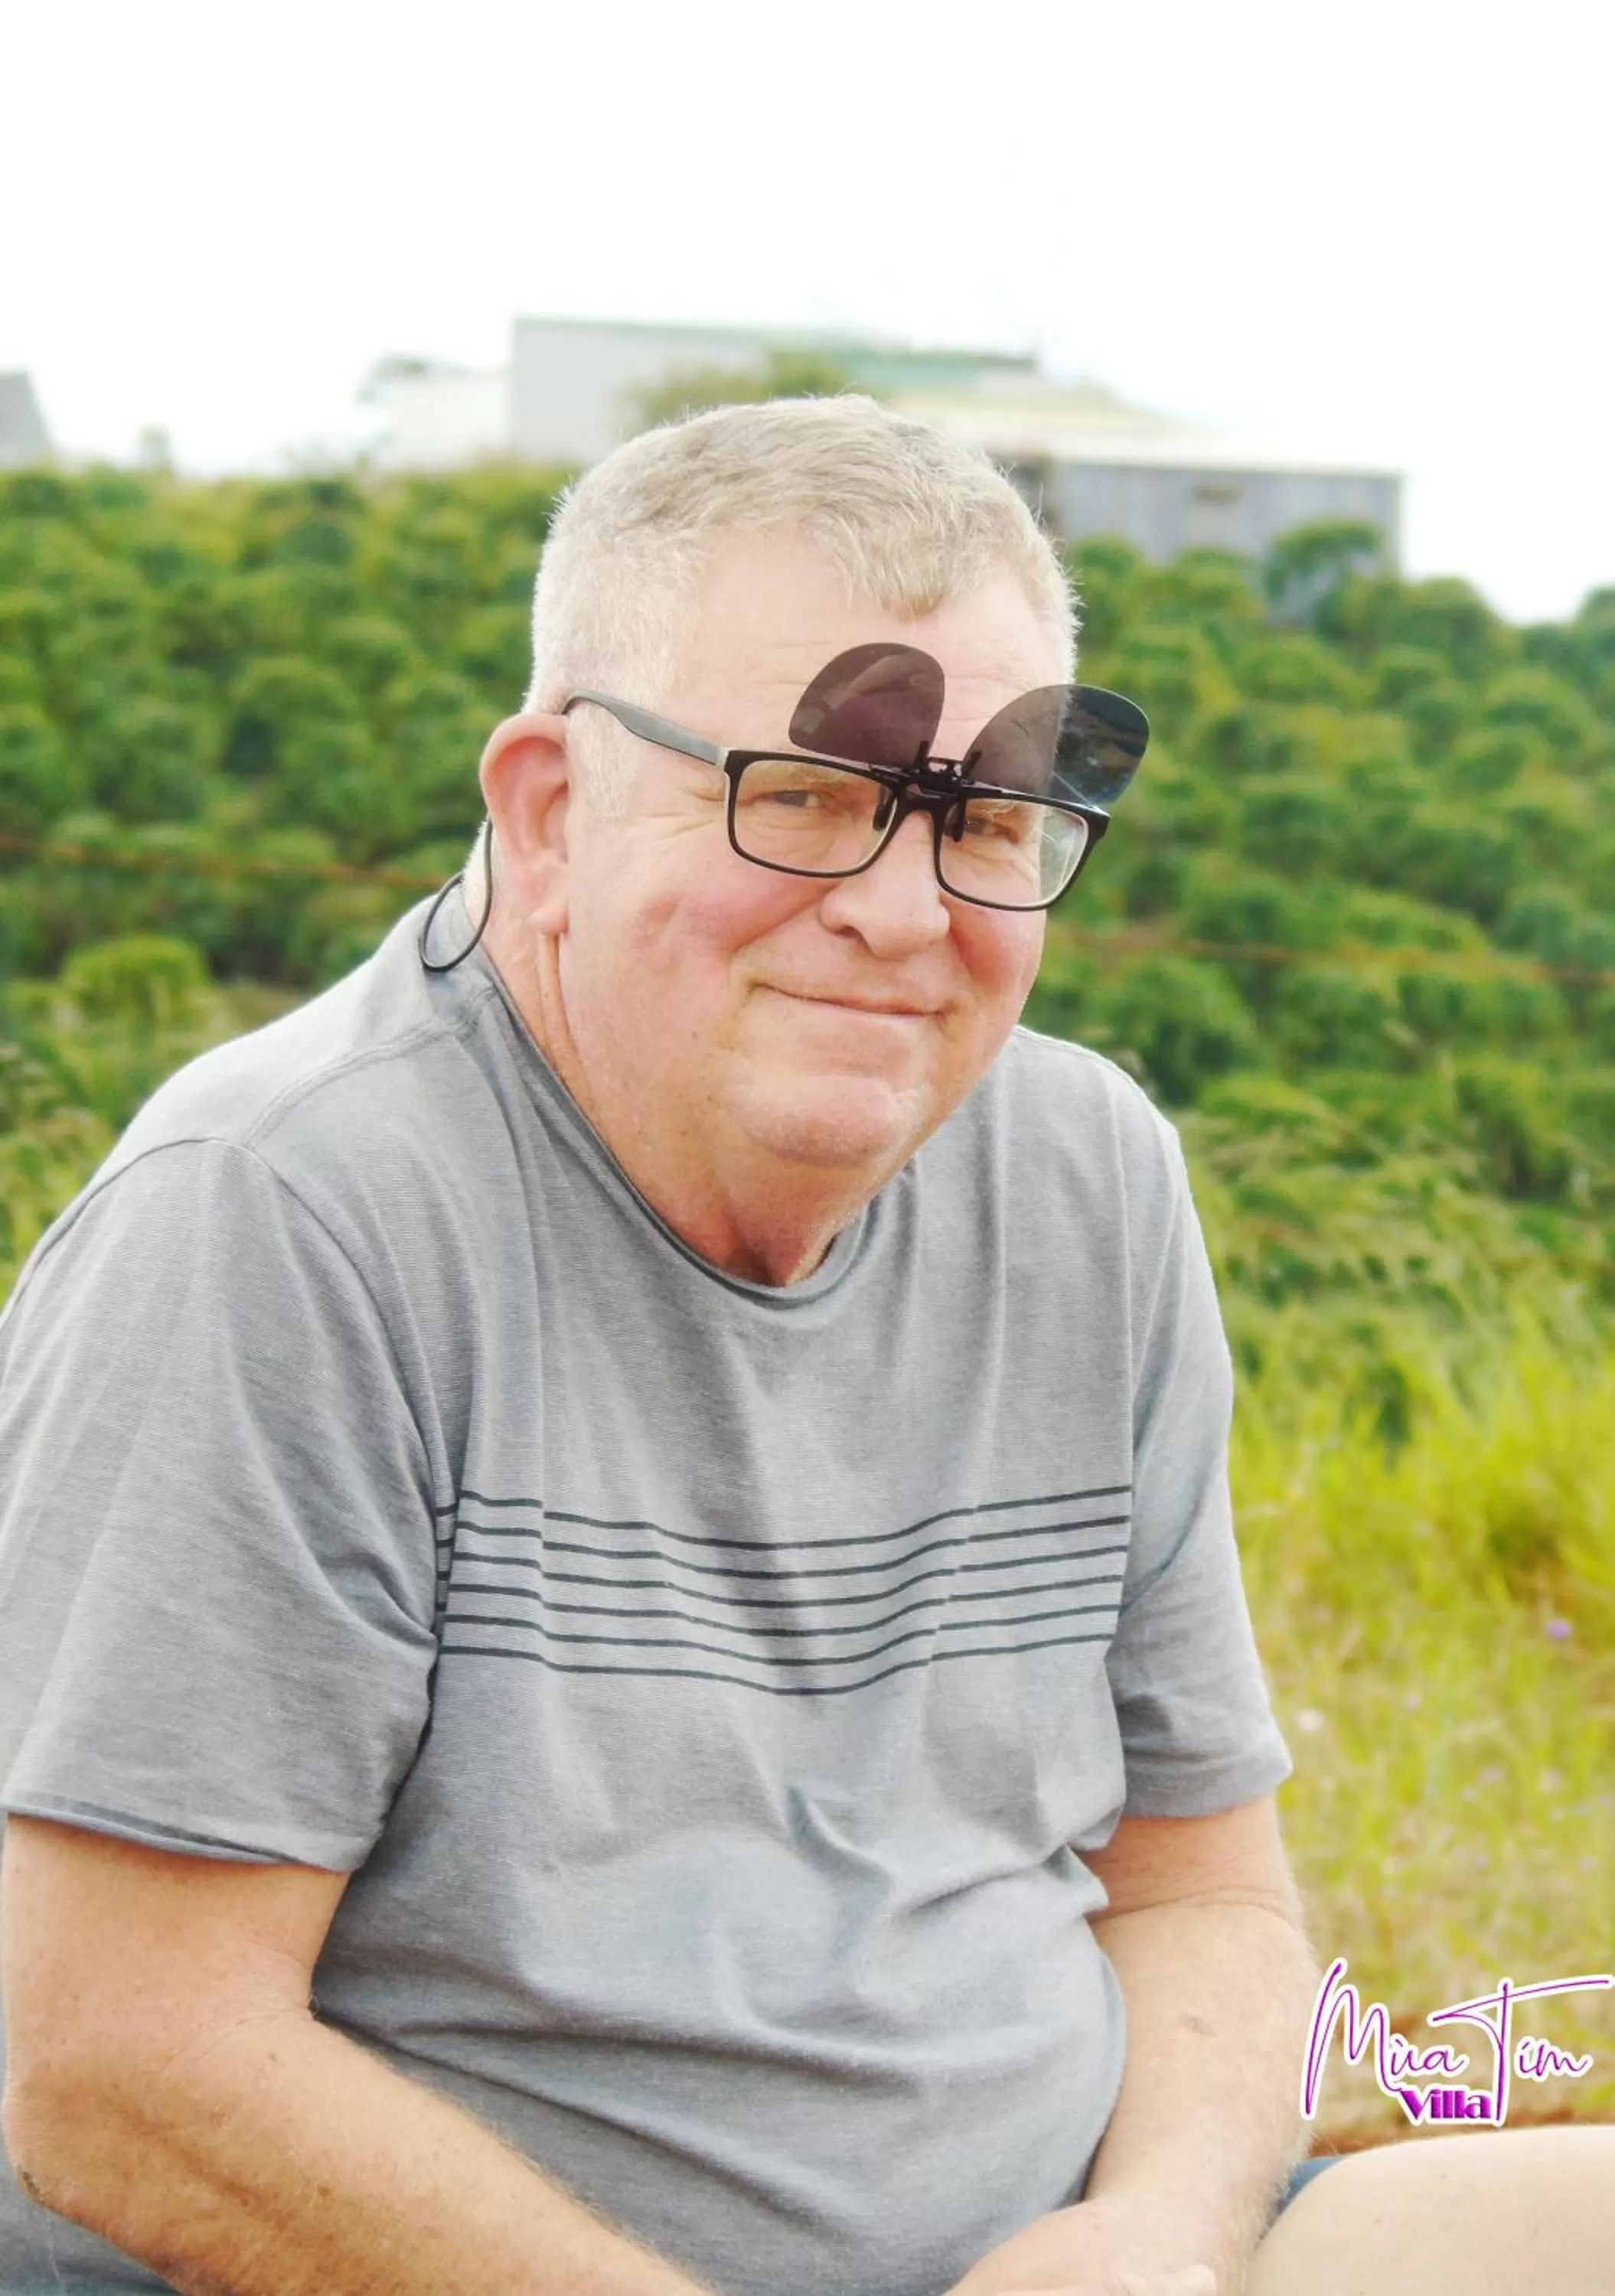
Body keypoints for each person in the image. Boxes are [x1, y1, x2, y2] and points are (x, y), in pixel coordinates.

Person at [0, 397, 1607, 2296]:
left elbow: (1201, 1890)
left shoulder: (1085, 1177)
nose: (904, 913)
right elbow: (115, 2061)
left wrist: (1150, 2243)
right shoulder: (283, 1217)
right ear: (549, 813)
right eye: (812, 794)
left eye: (988, 815)